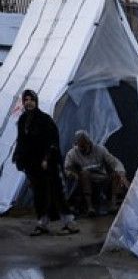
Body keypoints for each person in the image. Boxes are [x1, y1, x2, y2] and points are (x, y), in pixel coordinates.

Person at [11, 89, 79, 236]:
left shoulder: (44, 119)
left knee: (57, 192)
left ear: (36, 101)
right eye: (26, 100)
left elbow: (52, 141)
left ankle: (70, 222)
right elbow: (22, 141)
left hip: (49, 163)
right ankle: (43, 223)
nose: (28, 102)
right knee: (40, 194)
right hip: (33, 164)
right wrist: (18, 157)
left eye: (31, 100)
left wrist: (46, 158)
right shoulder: (23, 120)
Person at [64, 130, 128, 216]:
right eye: (80, 146)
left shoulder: (100, 149)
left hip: (103, 178)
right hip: (86, 180)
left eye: (84, 145)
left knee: (116, 174)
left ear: (89, 142)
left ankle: (113, 204)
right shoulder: (72, 153)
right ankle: (90, 207)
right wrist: (73, 174)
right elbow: (67, 168)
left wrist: (121, 173)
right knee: (84, 173)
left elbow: (114, 162)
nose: (82, 148)